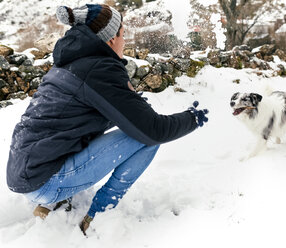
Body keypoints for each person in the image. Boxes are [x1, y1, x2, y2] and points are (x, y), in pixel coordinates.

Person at [6, 4, 209, 235]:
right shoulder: (99, 69)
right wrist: (191, 119)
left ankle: (56, 202)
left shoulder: (72, 61)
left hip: (25, 171)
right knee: (146, 140)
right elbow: (153, 130)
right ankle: (99, 214)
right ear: (111, 38)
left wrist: (129, 103)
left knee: (134, 130)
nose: (125, 40)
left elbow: (79, 118)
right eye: (123, 33)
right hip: (44, 180)